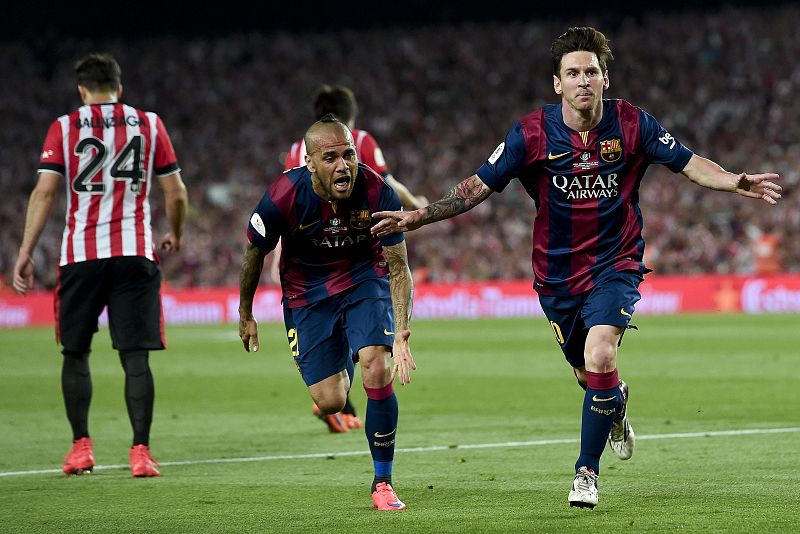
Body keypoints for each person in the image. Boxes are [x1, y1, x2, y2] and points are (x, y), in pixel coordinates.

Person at [372, 26, 782, 509]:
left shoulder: (633, 125)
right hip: (557, 277)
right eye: (573, 73)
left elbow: (690, 163)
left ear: (605, 78)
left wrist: (736, 181)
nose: (583, 80)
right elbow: (478, 186)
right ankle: (615, 404)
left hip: (616, 263)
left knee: (601, 352)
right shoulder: (530, 134)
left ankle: (585, 474)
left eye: (591, 72)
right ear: (557, 83)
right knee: (591, 377)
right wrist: (420, 215)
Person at [12, 53, 188, 478]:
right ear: (119, 88)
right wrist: (176, 233)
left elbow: (45, 193)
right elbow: (176, 192)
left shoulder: (64, 125)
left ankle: (81, 449)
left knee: (75, 352)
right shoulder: (149, 123)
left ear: (82, 90)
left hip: (81, 256)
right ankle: (141, 453)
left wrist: (25, 251)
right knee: (135, 357)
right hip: (134, 252)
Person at [239, 115, 416, 510]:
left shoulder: (376, 192)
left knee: (377, 364)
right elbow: (255, 250)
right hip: (306, 296)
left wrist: (401, 330)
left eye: (349, 155)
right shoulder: (284, 194)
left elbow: (399, 266)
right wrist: (245, 312)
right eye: (331, 157)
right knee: (332, 401)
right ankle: (344, 354)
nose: (343, 165)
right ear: (310, 163)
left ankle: (383, 482)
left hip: (363, 281)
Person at [277, 84, 426, 433]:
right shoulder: (359, 140)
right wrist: (416, 204)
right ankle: (341, 393)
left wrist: (279, 253)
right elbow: (385, 183)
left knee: (363, 350)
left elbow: (289, 200)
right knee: (367, 327)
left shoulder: (298, 149)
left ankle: (342, 401)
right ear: (351, 116)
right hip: (358, 253)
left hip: (310, 259)